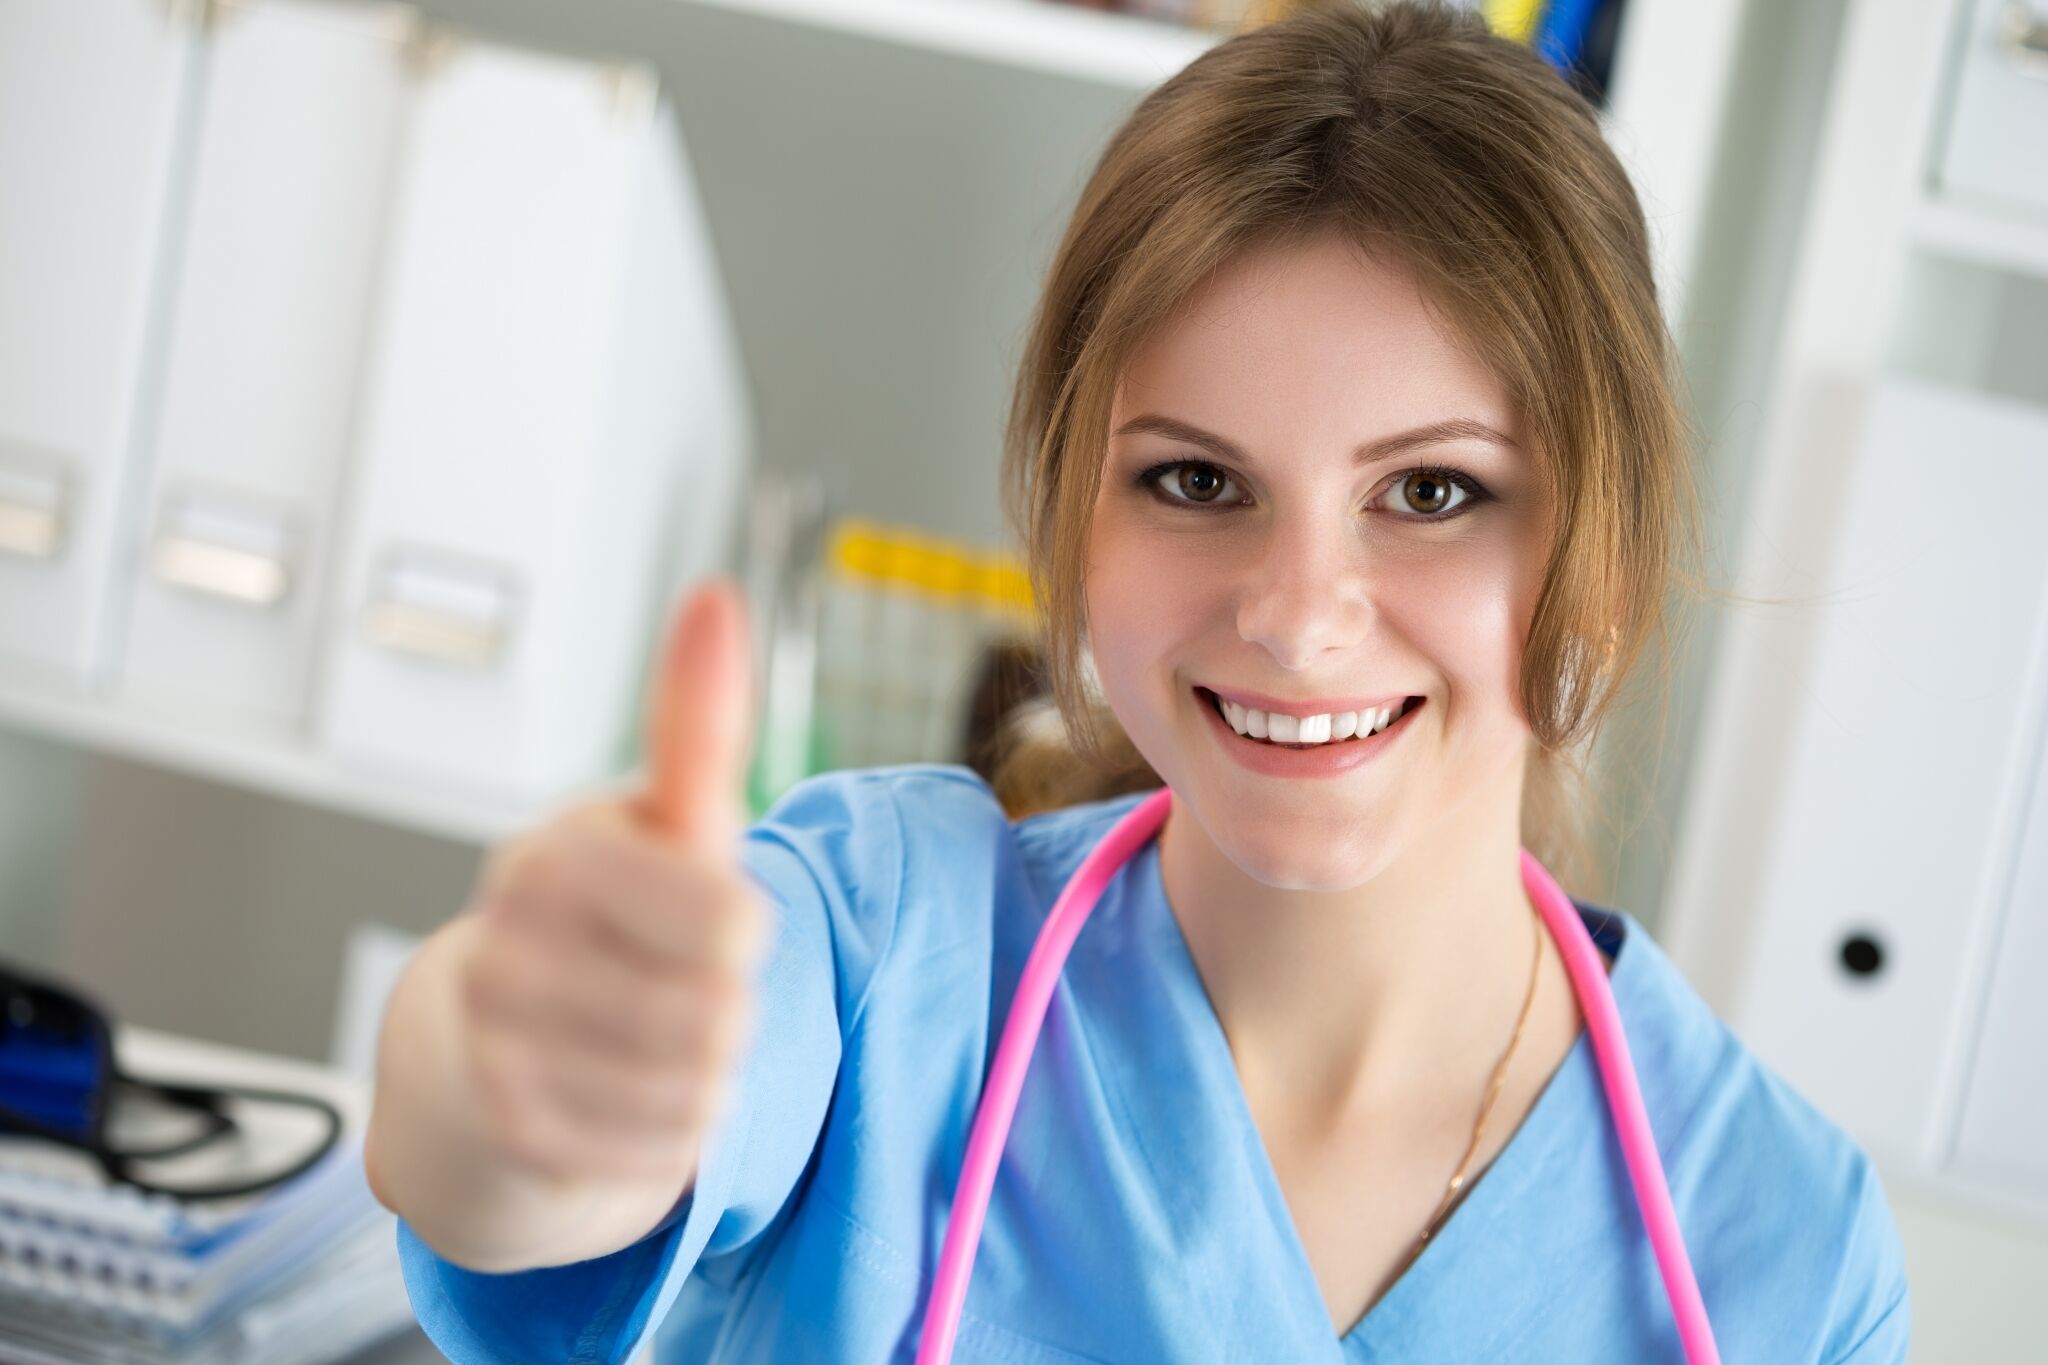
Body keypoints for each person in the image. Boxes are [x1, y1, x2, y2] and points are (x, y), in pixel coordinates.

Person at [363, 2, 1911, 1360]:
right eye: (1192, 480)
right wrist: (501, 1066)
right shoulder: (886, 953)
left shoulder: (1790, 1251)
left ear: (1611, 544)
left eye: (1432, 491)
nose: (1300, 618)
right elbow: (536, 1156)